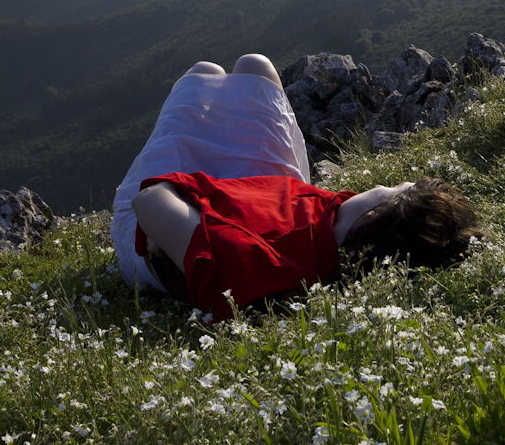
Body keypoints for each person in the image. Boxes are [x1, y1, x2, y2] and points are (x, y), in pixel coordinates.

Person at [111, 54, 482, 318]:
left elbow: (150, 199)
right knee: (255, 66)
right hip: (255, 192)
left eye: (395, 188)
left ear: (375, 213)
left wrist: (176, 219)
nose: (388, 182)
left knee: (202, 72)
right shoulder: (338, 222)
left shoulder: (265, 262)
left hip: (169, 209)